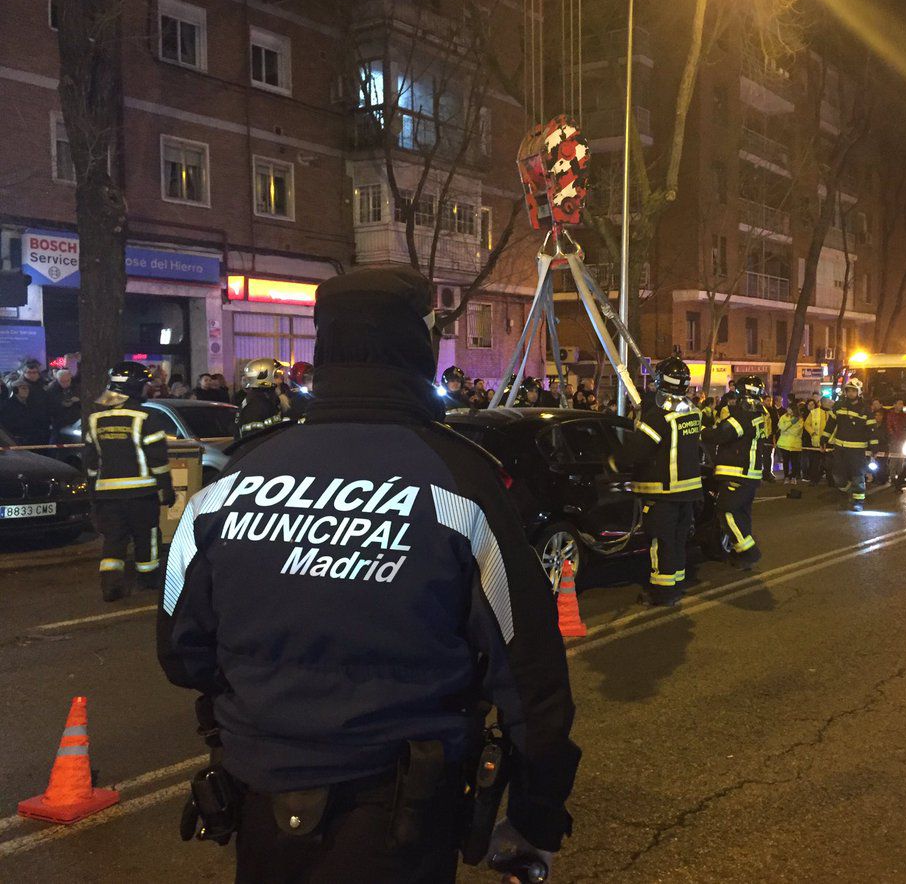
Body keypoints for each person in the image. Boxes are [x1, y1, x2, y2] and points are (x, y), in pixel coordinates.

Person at [158, 267, 580, 882]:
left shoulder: (235, 479)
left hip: (259, 801)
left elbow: (180, 652)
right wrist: (537, 817)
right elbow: (531, 676)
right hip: (403, 809)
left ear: (323, 350)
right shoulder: (459, 481)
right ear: (418, 351)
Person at [615, 357, 703, 607]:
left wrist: (612, 461)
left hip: (663, 492)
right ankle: (676, 585)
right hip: (687, 492)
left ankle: (663, 593)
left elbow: (638, 450)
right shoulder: (693, 412)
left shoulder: (657, 417)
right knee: (676, 541)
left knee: (661, 542)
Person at [85, 362, 175, 601]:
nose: (147, 389)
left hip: (107, 496)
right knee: (147, 537)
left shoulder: (95, 419)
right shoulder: (146, 418)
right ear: (135, 388)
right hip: (141, 495)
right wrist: (166, 490)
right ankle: (147, 579)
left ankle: (110, 584)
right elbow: (158, 460)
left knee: (114, 540)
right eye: (144, 385)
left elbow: (92, 463)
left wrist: (93, 492)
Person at [703, 375, 767, 569]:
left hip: (738, 472)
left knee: (726, 509)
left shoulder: (743, 415)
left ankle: (749, 552)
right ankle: (742, 557)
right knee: (742, 513)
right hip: (749, 473)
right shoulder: (758, 412)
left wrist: (699, 429)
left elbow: (721, 434)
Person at [822, 378, 878, 511]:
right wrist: (823, 439)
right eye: (848, 390)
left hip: (857, 450)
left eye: (853, 391)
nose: (850, 393)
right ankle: (848, 492)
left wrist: (874, 446)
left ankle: (858, 501)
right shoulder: (839, 406)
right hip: (840, 448)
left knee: (857, 475)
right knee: (838, 475)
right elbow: (831, 424)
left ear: (858, 392)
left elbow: (872, 429)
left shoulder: (865, 410)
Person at [235, 359, 288, 441]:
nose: (280, 381)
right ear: (263, 378)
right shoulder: (255, 407)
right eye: (276, 377)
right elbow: (253, 442)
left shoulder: (264, 401)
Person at [804, 396, 835, 485]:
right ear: (822, 403)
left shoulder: (833, 413)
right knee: (816, 463)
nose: (830, 404)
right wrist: (812, 433)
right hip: (817, 442)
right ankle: (814, 480)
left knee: (830, 463)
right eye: (828, 402)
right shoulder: (814, 412)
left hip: (830, 442)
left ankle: (830, 481)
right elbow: (807, 424)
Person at [777, 399, 805, 486]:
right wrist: (791, 423)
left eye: (789, 409)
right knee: (785, 461)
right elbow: (782, 427)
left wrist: (787, 429)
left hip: (795, 444)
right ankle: (786, 477)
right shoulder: (783, 417)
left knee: (794, 462)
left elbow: (796, 431)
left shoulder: (800, 419)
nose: (788, 410)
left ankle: (793, 477)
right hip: (784, 443)